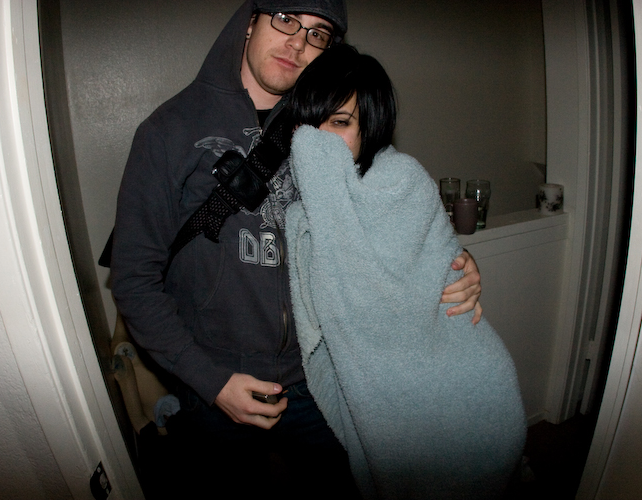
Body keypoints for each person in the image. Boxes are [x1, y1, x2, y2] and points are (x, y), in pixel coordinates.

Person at [110, 1, 482, 496]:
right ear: (250, 22)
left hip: (317, 373)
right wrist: (211, 381)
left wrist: (452, 263)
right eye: (286, 18)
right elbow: (134, 279)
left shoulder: (329, 118)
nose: (298, 43)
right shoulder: (168, 131)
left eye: (317, 33)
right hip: (214, 381)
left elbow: (393, 205)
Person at [285, 44, 526, 499]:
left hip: (459, 393)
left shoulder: (402, 180)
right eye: (306, 126)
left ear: (372, 126)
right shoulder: (302, 210)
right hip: (370, 408)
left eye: (339, 123)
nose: (315, 142)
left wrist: (464, 264)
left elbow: (378, 300)